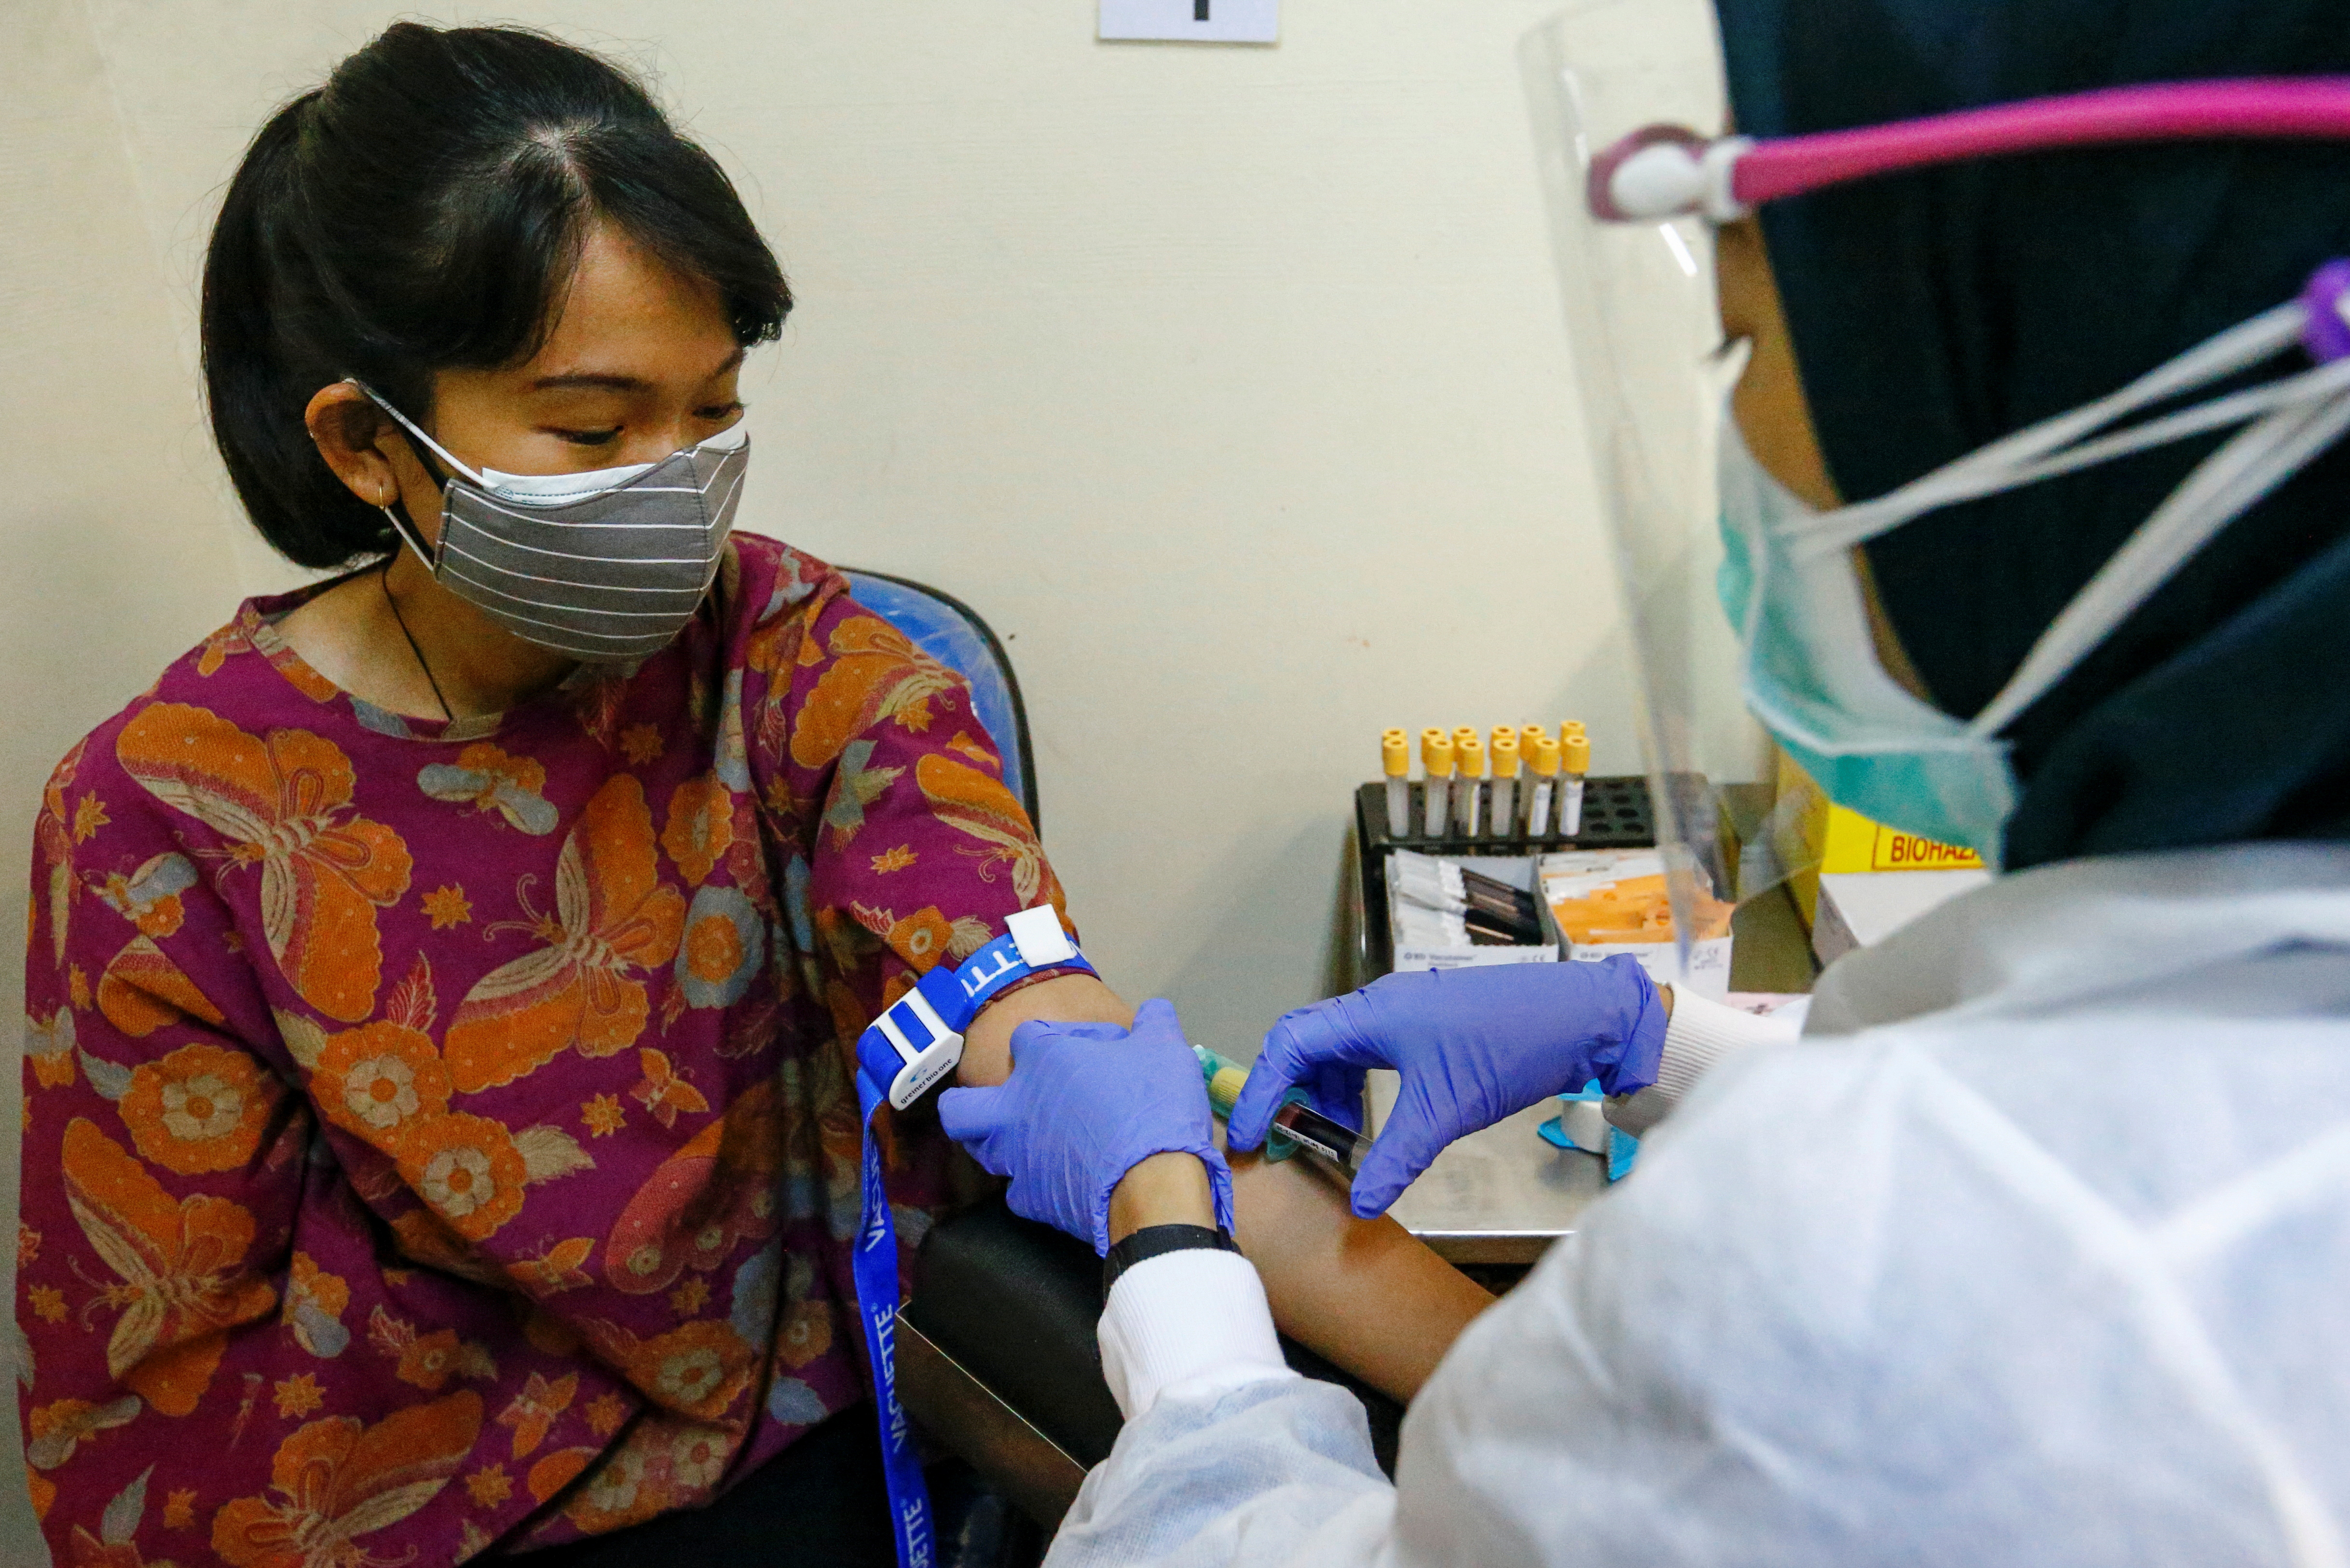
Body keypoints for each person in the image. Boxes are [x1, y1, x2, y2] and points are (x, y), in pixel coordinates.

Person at [13, 25, 1492, 1565]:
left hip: (809, 1454)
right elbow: (161, 1396)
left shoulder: (794, 659)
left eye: (711, 410)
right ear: (368, 443)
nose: (675, 479)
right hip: (412, 1518)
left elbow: (1049, 1036)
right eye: (593, 428)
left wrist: (1574, 1409)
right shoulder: (167, 816)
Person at [938, 1, 2350, 1561]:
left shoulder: (1908, 1268)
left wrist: (1172, 1246)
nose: (1737, 431)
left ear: (2047, 386)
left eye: (1748, 341)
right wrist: (1655, 1029)